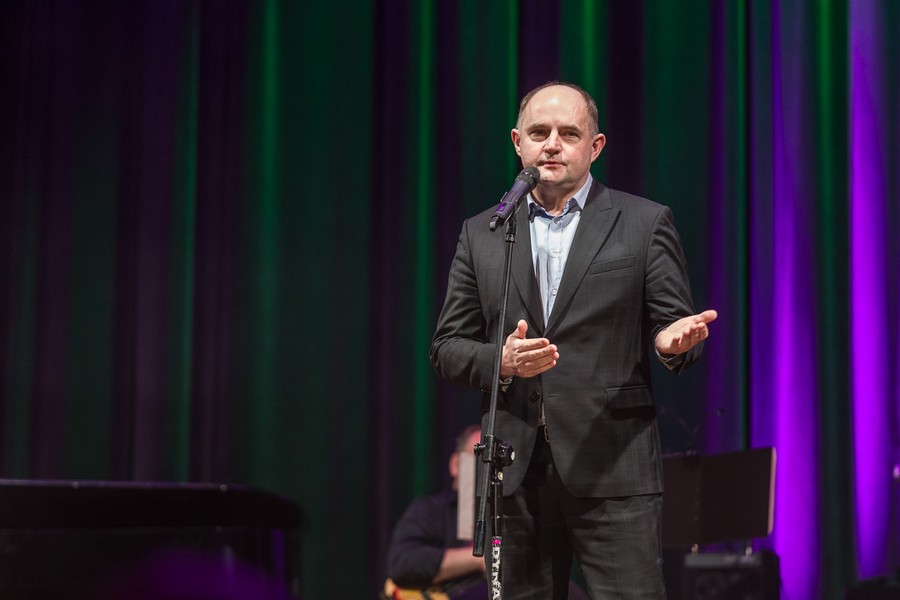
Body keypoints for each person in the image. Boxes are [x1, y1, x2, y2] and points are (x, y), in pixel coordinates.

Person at [430, 81, 717, 599]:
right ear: (517, 142)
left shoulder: (644, 223)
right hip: (515, 475)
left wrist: (669, 343)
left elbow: (678, 329)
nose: (552, 145)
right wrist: (502, 360)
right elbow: (447, 347)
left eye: (569, 133)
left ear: (595, 146)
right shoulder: (484, 233)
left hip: (614, 469)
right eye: (539, 133)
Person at [385, 425, 487, 600]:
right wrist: (478, 559)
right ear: (456, 464)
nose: (486, 469)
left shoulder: (511, 516)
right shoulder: (431, 510)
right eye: (480, 458)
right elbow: (402, 564)